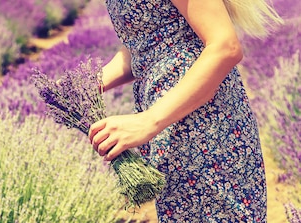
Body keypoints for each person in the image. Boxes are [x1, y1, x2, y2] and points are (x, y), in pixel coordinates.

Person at [87, 0, 283, 222]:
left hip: (203, 125)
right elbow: (146, 42)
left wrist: (147, 121)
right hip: (169, 126)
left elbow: (225, 46)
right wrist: (85, 83)